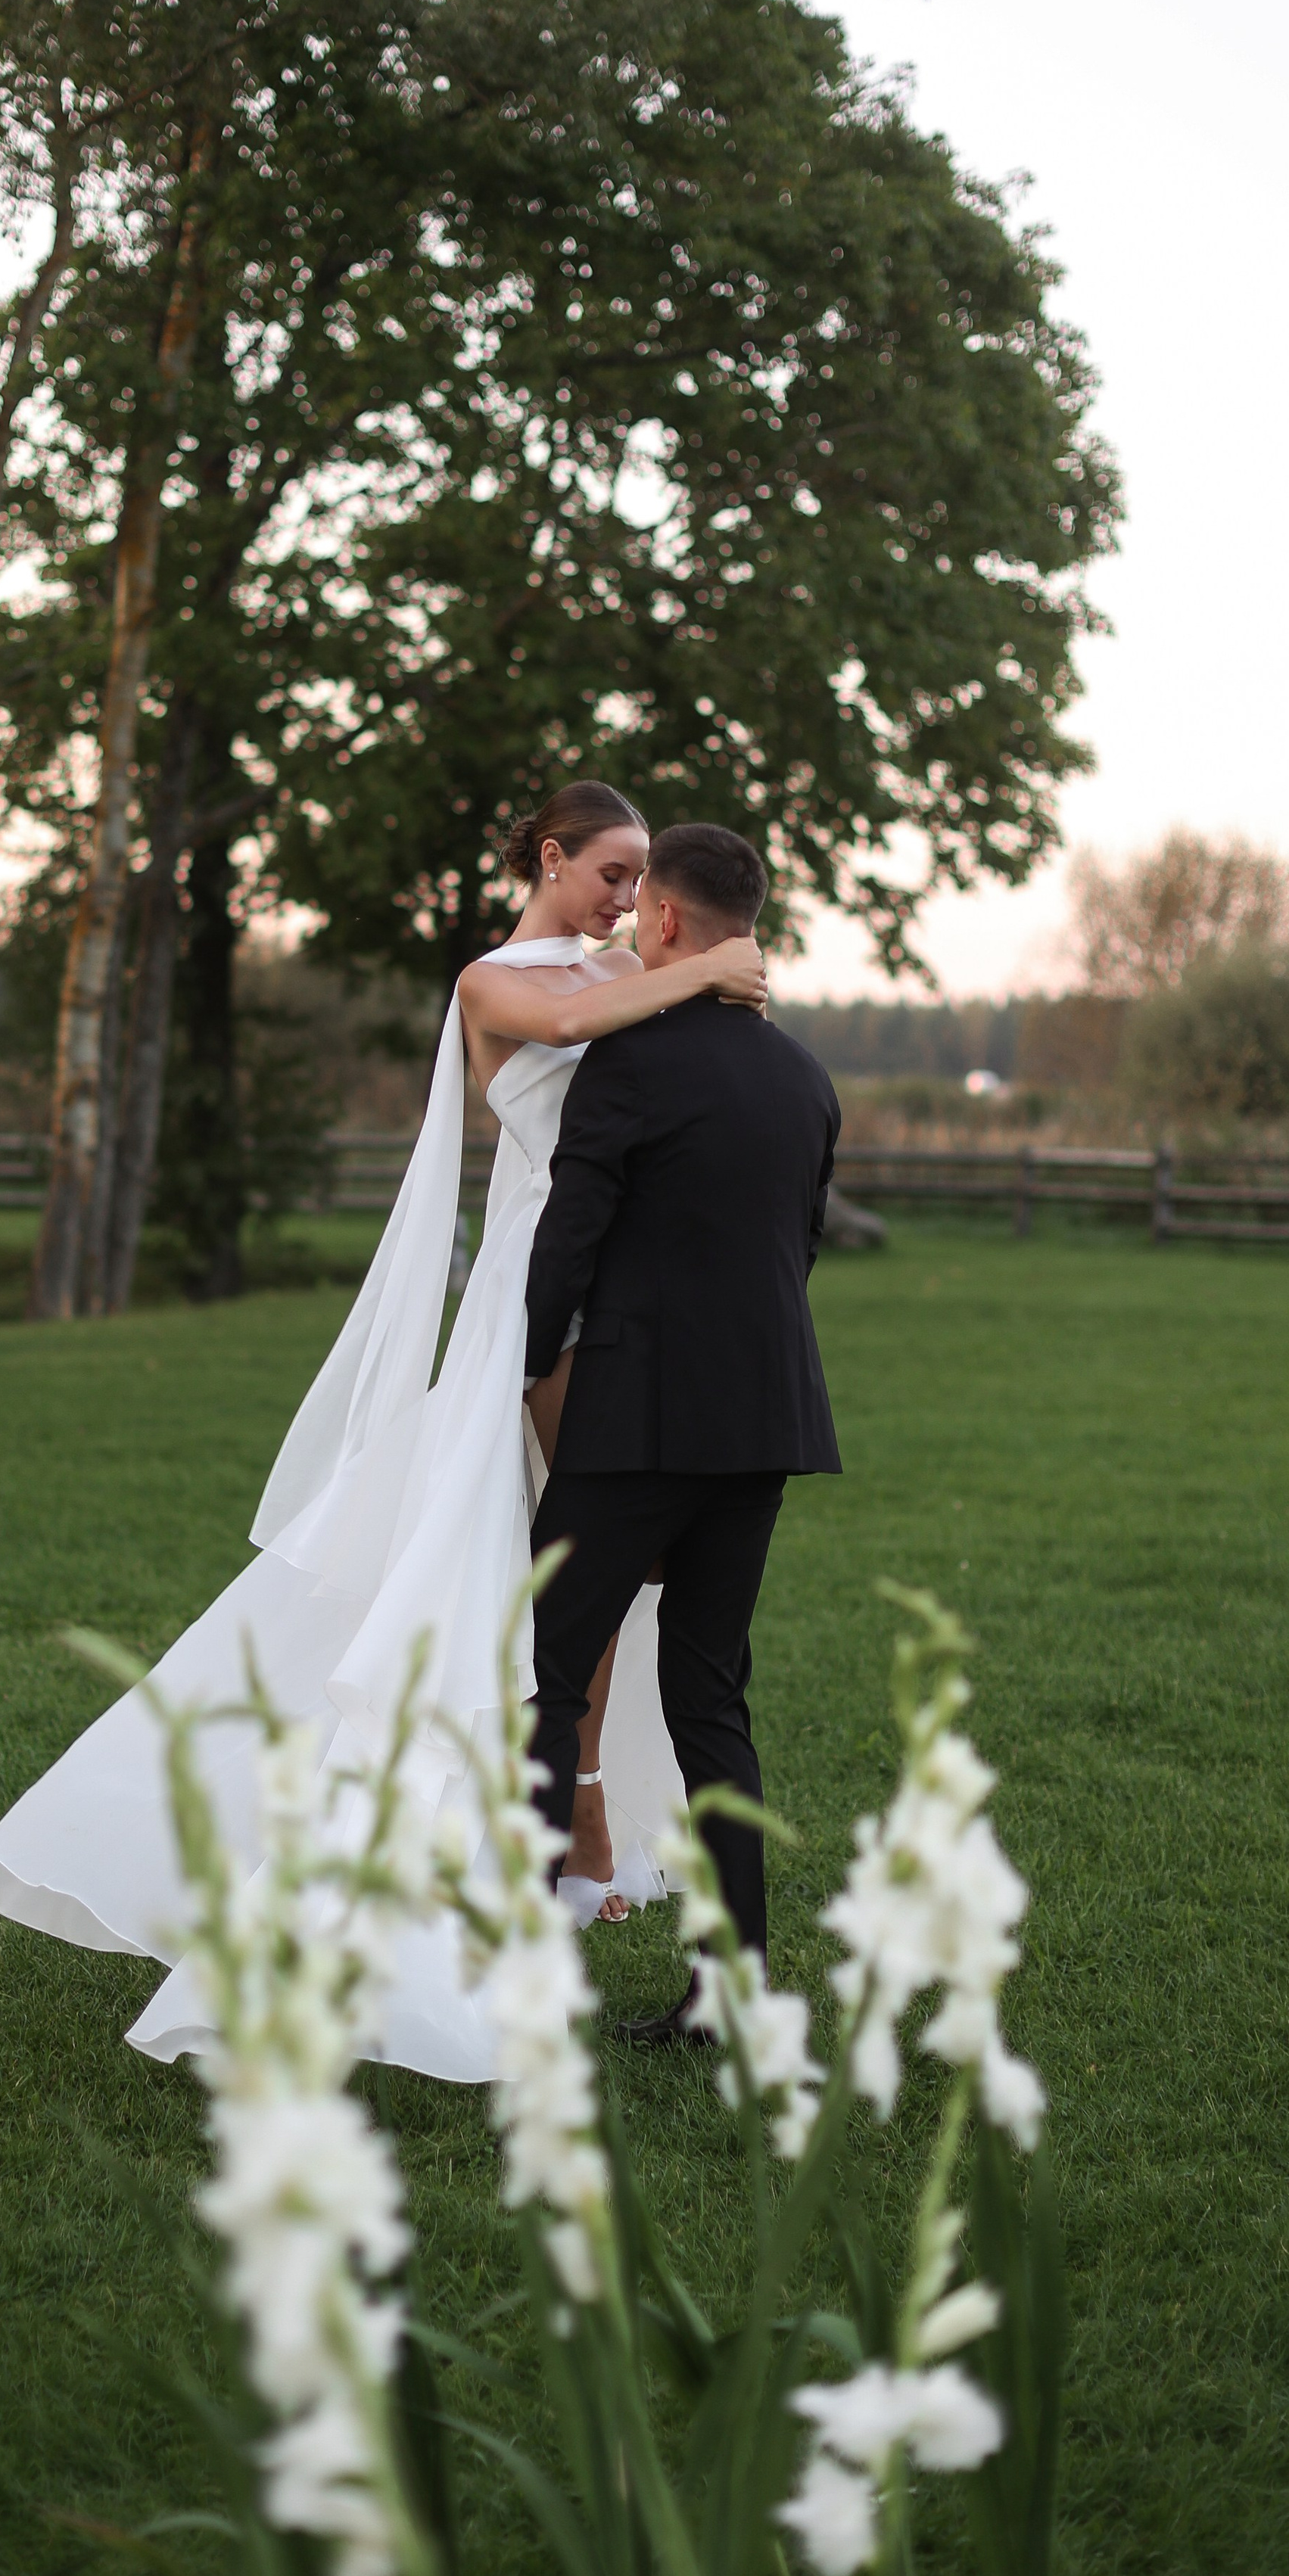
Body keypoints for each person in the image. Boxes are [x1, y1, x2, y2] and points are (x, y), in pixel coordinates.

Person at [0, 782, 767, 2080]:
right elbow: (577, 1019)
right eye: (608, 874)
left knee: (589, 1576)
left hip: (627, 1298)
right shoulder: (498, 982)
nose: (623, 901)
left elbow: (651, 1037)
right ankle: (440, 1867)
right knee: (495, 1573)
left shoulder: (628, 969)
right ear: (549, 859)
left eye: (637, 883)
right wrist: (713, 965)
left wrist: (695, 971)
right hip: (537, 1294)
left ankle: (580, 1833)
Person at [522, 823, 842, 2039]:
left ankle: (533, 1967)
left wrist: (525, 1363)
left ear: (662, 923)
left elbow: (572, 1239)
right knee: (710, 1701)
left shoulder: (633, 1064)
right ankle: (728, 1992)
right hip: (763, 1422)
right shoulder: (805, 1077)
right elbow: (795, 1251)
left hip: (635, 1419)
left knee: (553, 1678)